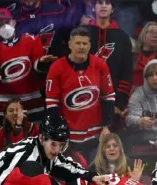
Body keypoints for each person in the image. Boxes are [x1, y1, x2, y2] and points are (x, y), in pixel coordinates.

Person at [45, 26, 115, 162]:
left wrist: (106, 126)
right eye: (78, 43)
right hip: (69, 135)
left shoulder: (100, 65)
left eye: (85, 43)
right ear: (70, 44)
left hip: (96, 134)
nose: (81, 47)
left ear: (90, 45)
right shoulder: (57, 67)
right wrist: (60, 131)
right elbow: (51, 102)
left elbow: (109, 97)